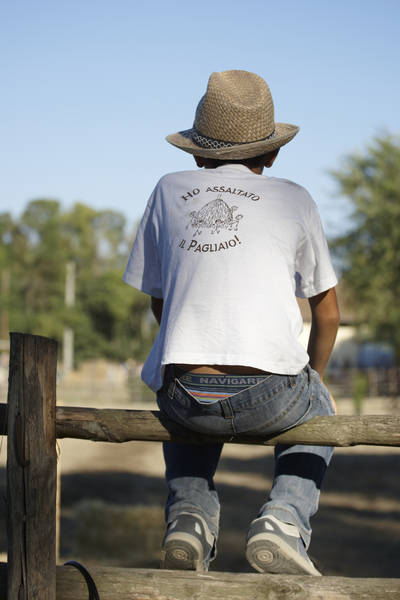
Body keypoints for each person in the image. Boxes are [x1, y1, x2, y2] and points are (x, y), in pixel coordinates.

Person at [123, 70, 340, 576]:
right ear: (273, 153)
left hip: (185, 392)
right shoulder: (294, 197)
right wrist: (313, 380)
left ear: (198, 154)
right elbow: (328, 313)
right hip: (271, 392)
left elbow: (160, 301)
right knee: (320, 403)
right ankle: (285, 519)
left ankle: (189, 517)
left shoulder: (168, 189)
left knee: (183, 399)